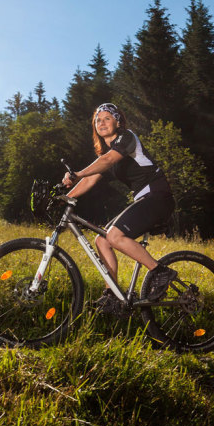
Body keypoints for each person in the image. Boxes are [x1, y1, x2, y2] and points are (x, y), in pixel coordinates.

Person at [62, 103, 177, 305]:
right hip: (145, 199)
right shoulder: (106, 155)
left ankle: (161, 272)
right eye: (98, 120)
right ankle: (112, 296)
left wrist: (77, 173)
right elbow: (90, 179)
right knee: (102, 240)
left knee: (114, 235)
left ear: (117, 121)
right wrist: (65, 198)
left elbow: (106, 161)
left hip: (158, 196)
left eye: (107, 118)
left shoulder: (127, 138)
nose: (102, 123)